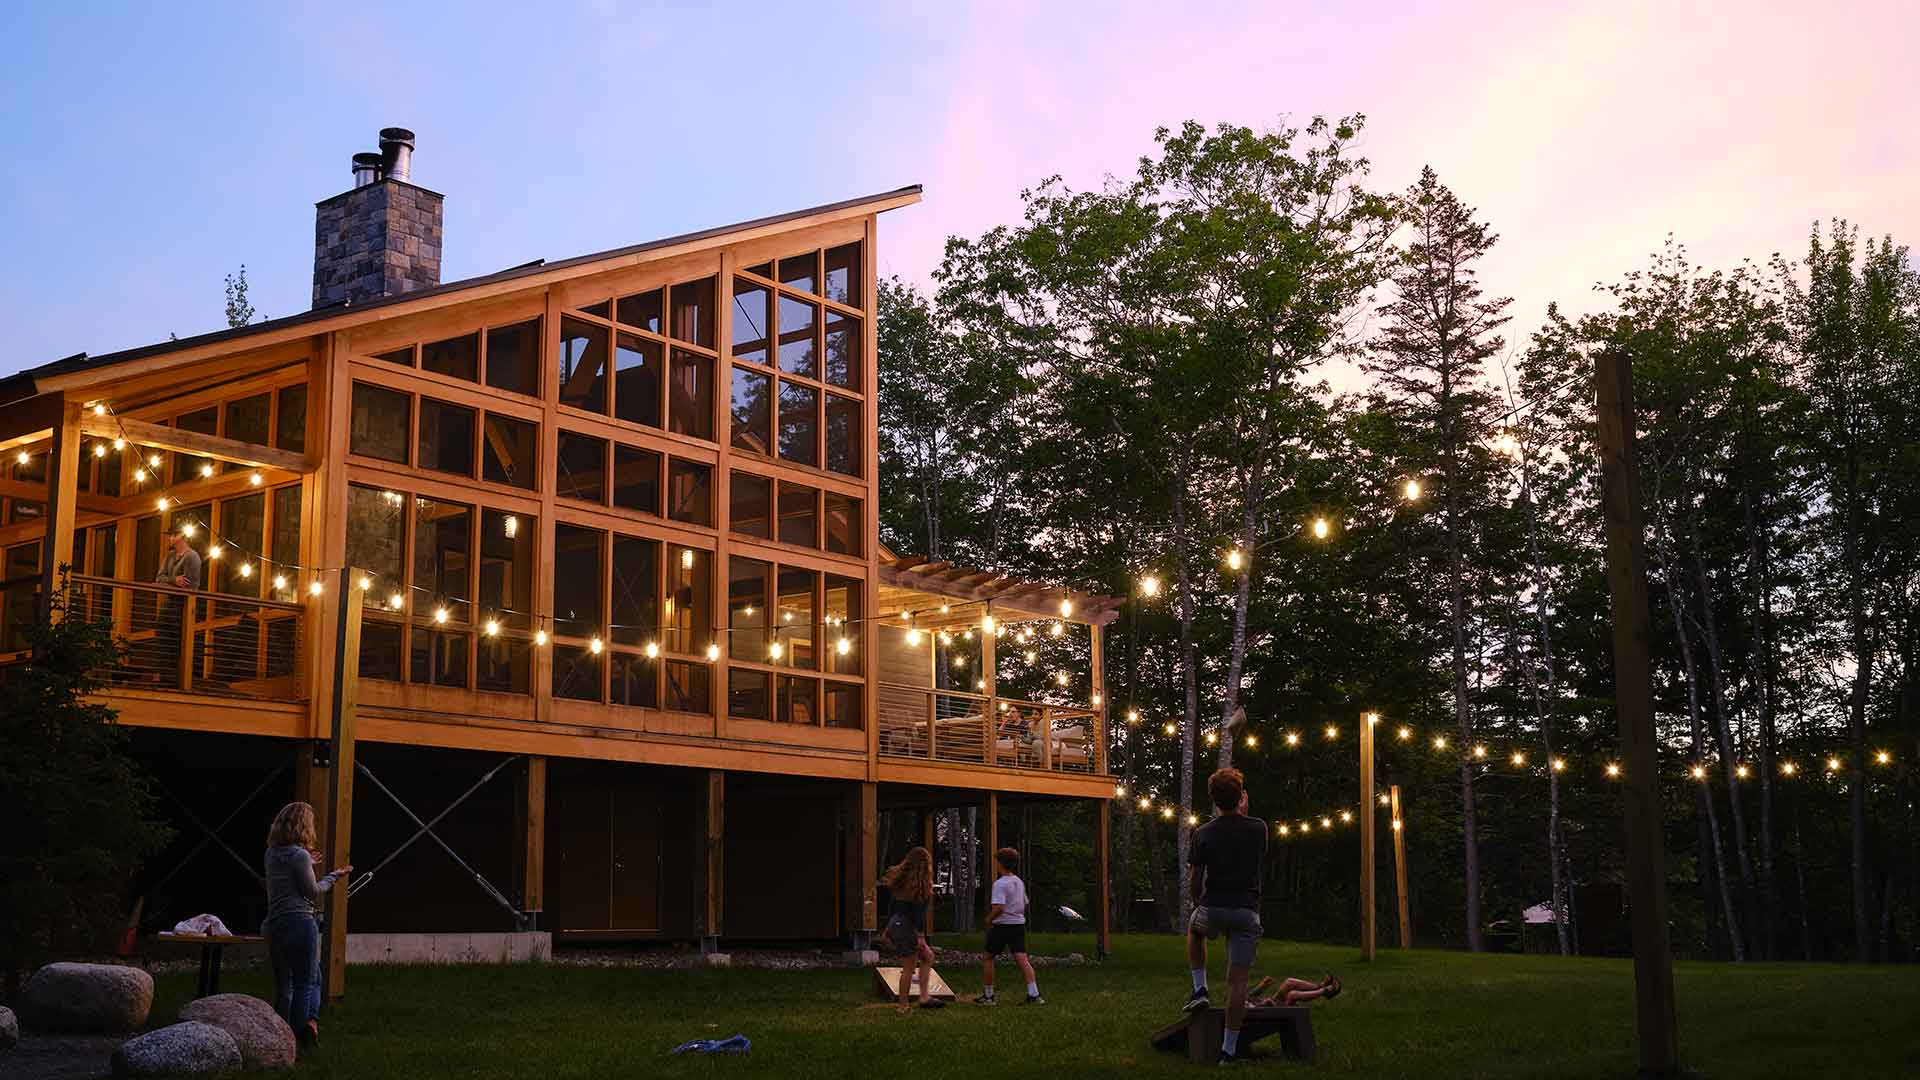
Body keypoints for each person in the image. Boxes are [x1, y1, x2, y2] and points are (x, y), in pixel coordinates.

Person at [1183, 767, 1268, 1066]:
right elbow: (1248, 841)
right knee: (1238, 982)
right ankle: (1228, 1052)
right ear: (1241, 797)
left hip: (1214, 908)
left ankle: (1200, 988)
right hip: (1246, 912)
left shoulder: (1203, 833)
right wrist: (1243, 810)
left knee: (1195, 929)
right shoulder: (1259, 828)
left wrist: (1199, 902)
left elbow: (1195, 881)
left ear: (1213, 800)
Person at [263, 802, 350, 1047]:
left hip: (275, 923)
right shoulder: (299, 855)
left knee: (284, 984)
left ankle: (279, 1037)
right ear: (304, 826)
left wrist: (307, 864)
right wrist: (333, 877)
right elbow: (312, 892)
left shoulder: (270, 853)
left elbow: (287, 878)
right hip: (300, 922)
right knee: (305, 982)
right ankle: (299, 1036)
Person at [973, 846, 1042, 1006]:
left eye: (996, 861)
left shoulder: (1000, 884)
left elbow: (999, 908)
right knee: (1022, 959)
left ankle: (988, 996)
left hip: (1002, 926)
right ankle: (1034, 994)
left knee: (988, 957)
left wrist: (988, 920)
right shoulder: (1018, 881)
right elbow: (1025, 902)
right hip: (1018, 925)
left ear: (1000, 863)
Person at [882, 846, 943, 1012]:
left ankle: (924, 997)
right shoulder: (922, 886)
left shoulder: (899, 883)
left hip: (896, 923)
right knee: (908, 967)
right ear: (926, 865)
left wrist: (887, 928)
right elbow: (918, 915)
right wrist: (920, 937)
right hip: (909, 928)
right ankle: (903, 1006)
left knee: (928, 957)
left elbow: (892, 908)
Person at [151, 522, 202, 685]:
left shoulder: (192, 557)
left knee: (176, 642)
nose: (170, 538)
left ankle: (174, 679)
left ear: (181, 536)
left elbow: (189, 586)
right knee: (161, 638)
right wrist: (174, 580)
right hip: (167, 605)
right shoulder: (170, 556)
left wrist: (170, 583)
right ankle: (159, 676)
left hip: (182, 608)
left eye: (173, 535)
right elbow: (159, 579)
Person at [1249, 973, 1341, 1007]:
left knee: (1289, 982)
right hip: (1267, 1010)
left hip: (1269, 1004)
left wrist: (1261, 987)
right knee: (1292, 995)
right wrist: (1265, 1004)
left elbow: (1248, 997)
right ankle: (1324, 991)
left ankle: (1319, 987)